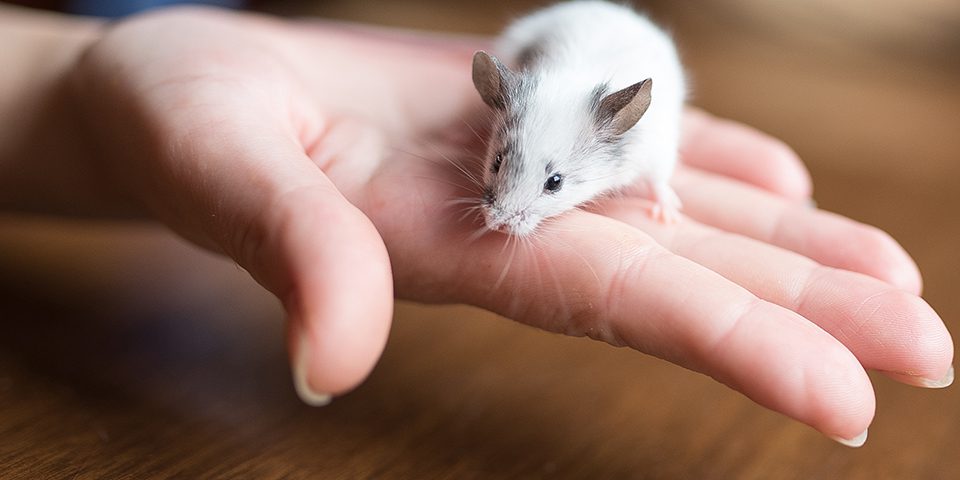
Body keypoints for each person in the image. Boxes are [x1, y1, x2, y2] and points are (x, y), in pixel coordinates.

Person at [0, 4, 952, 448]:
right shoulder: (520, 94)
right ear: (494, 124)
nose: (505, 209)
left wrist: (653, 186)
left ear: (607, 148)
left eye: (543, 184)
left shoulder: (629, 127)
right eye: (502, 168)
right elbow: (517, 112)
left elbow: (648, 134)